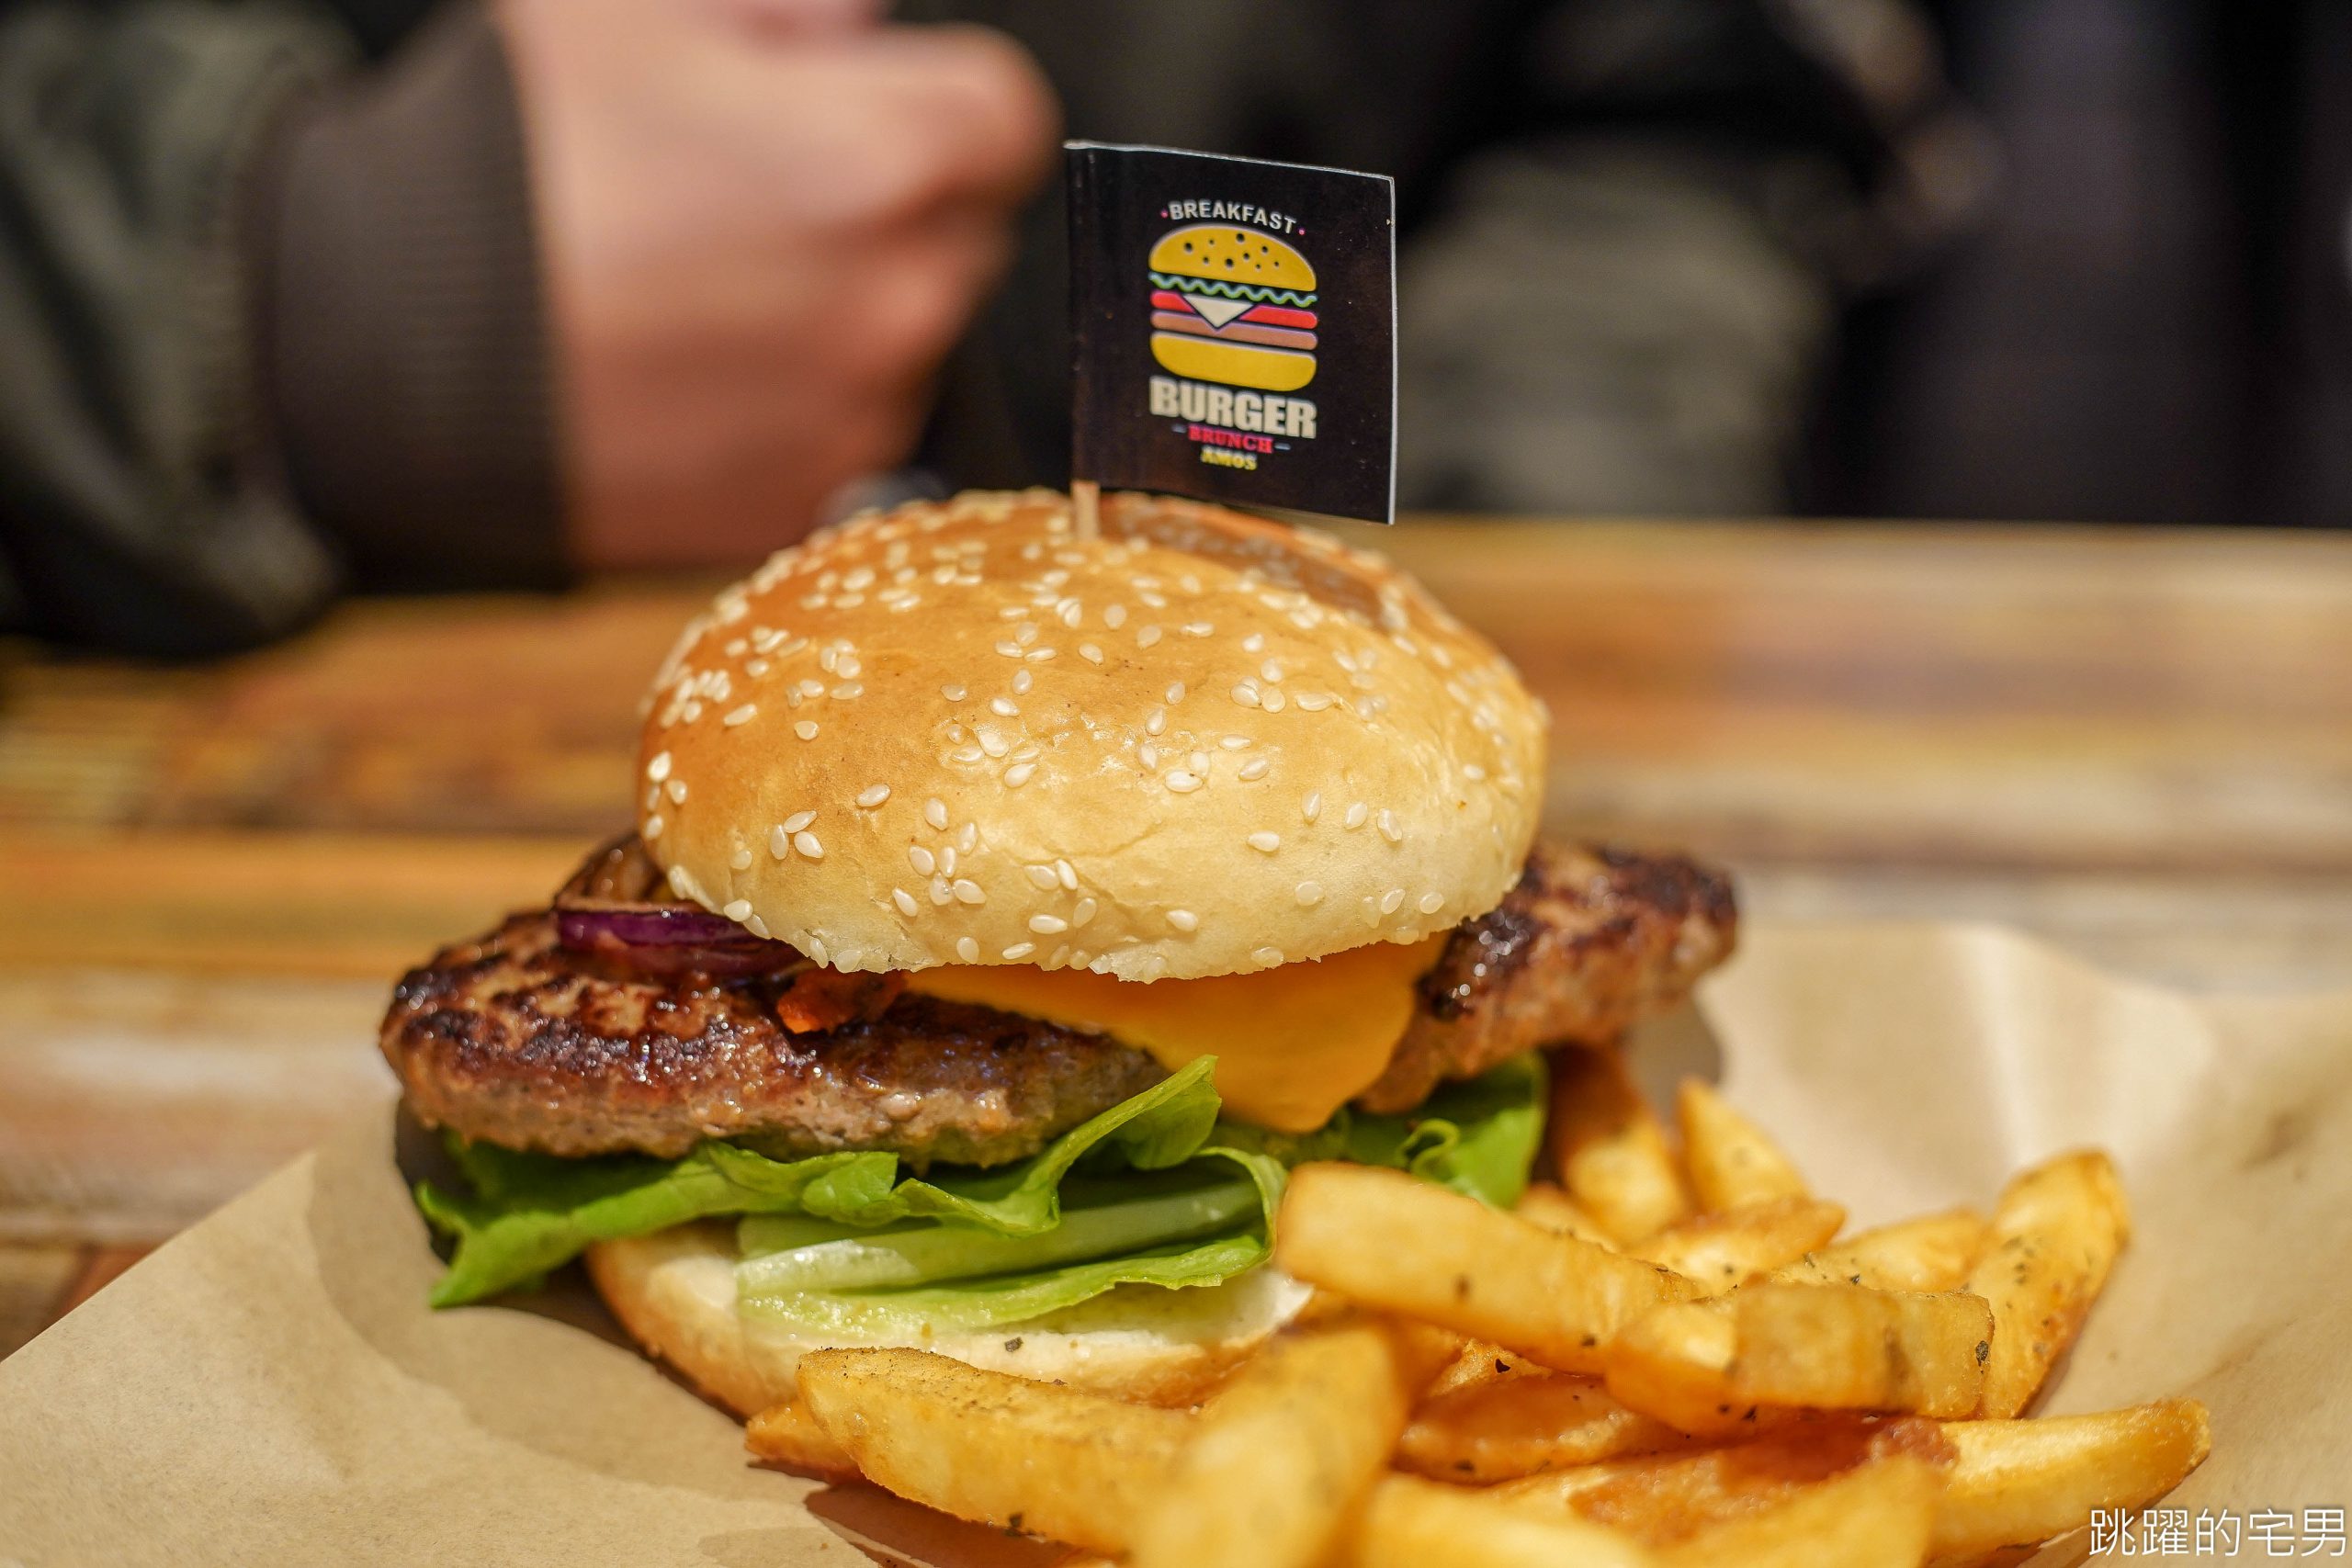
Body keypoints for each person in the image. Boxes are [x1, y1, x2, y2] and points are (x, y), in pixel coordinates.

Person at [0, 0, 1963, 656]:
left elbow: (1657, 108)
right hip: (223, 688)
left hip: (1280, 635)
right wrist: (267, 288)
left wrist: (1518, 558)